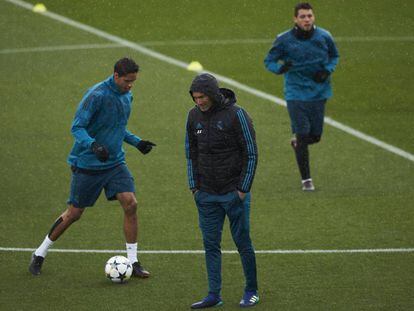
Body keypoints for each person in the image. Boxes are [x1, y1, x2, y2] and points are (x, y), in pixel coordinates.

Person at [29, 57, 156, 278]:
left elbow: (117, 127)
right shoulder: (97, 95)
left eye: (133, 81)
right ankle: (40, 253)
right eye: (127, 81)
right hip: (88, 164)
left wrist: (138, 142)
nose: (130, 85)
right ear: (116, 75)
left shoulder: (127, 95)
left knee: (131, 203)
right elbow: (77, 127)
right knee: (74, 213)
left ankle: (134, 262)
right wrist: (93, 145)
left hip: (115, 162)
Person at [185, 73, 259, 308]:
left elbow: (251, 152)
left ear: (214, 94)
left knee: (242, 242)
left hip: (232, 193)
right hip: (206, 194)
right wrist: (194, 186)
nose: (199, 102)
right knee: (210, 245)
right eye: (195, 98)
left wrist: (242, 189)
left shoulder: (237, 115)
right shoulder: (193, 116)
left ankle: (251, 290)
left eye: (202, 97)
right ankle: (213, 295)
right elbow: (191, 153)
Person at [264, 2, 339, 191]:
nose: (307, 19)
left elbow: (334, 56)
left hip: (319, 92)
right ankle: (307, 180)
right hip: (295, 92)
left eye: (310, 16)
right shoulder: (283, 39)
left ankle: (298, 142)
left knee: (315, 136)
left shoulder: (324, 36)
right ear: (295, 19)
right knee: (303, 133)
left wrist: (327, 71)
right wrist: (280, 68)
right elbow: (269, 60)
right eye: (303, 16)